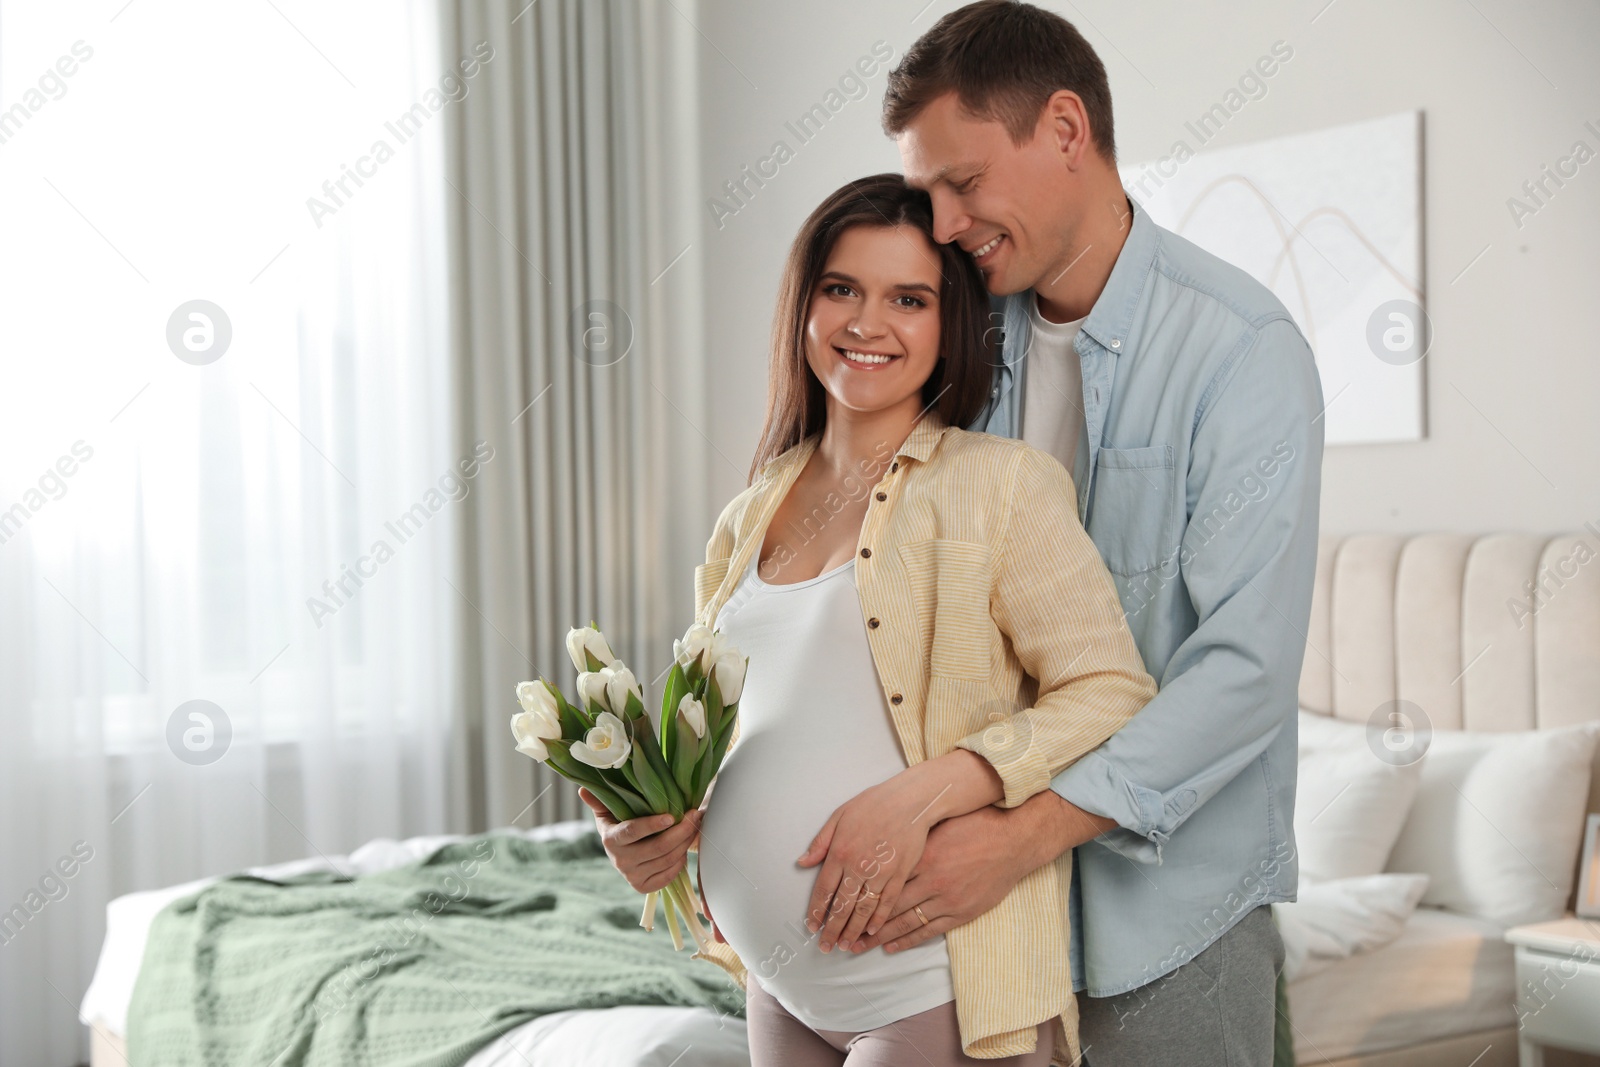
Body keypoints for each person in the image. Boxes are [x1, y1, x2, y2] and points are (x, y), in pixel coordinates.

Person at [833, 3, 1325, 1065]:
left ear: (1066, 130)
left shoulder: (1241, 351)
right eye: (929, 196)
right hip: (985, 918)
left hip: (1170, 910)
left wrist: (1015, 838)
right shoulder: (957, 334)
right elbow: (875, 582)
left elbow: (1241, 671)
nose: (947, 221)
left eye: (962, 184)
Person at [581, 172, 1157, 1066]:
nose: (866, 322)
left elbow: (1113, 691)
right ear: (804, 304)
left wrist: (933, 787)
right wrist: (651, 826)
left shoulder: (998, 485)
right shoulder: (751, 510)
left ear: (949, 325)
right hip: (778, 985)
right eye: (841, 288)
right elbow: (728, 730)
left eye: (909, 299)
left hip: (932, 987)